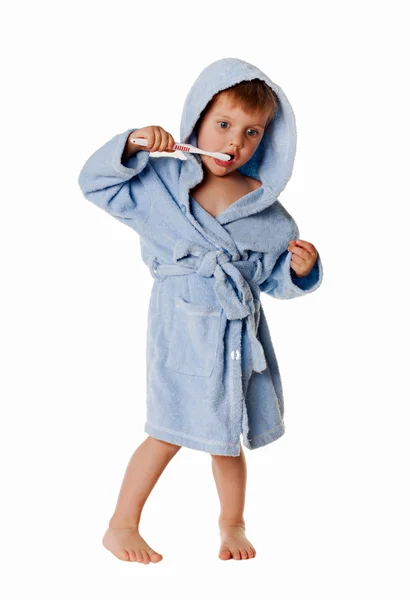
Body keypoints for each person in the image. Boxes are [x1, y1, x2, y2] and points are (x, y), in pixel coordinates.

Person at [78, 57, 323, 564]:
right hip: (178, 328)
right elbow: (96, 185)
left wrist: (300, 269)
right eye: (224, 124)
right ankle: (121, 524)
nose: (235, 142)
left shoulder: (266, 208)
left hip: (235, 334)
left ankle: (232, 523)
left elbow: (273, 279)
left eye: (251, 132)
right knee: (165, 430)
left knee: (227, 437)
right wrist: (132, 145)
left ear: (268, 141)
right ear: (197, 122)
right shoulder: (160, 183)